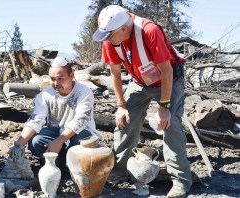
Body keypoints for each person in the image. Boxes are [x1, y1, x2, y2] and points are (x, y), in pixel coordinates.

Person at [92, 5, 192, 198]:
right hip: (139, 81)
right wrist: (121, 106)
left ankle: (180, 181)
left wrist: (164, 107)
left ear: (123, 29)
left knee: (170, 124)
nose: (107, 40)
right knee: (124, 121)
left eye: (110, 36)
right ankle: (119, 169)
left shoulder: (149, 31)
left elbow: (166, 71)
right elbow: (115, 72)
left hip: (169, 80)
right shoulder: (110, 37)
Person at [12, 56, 100, 163]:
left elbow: (80, 121)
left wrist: (59, 141)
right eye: (52, 79)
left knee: (80, 143)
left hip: (79, 134)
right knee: (36, 141)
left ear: (71, 75)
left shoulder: (84, 92)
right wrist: (18, 144)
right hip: (55, 133)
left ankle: (72, 165)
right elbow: (36, 120)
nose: (56, 83)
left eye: (60, 78)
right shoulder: (45, 95)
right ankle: (57, 163)